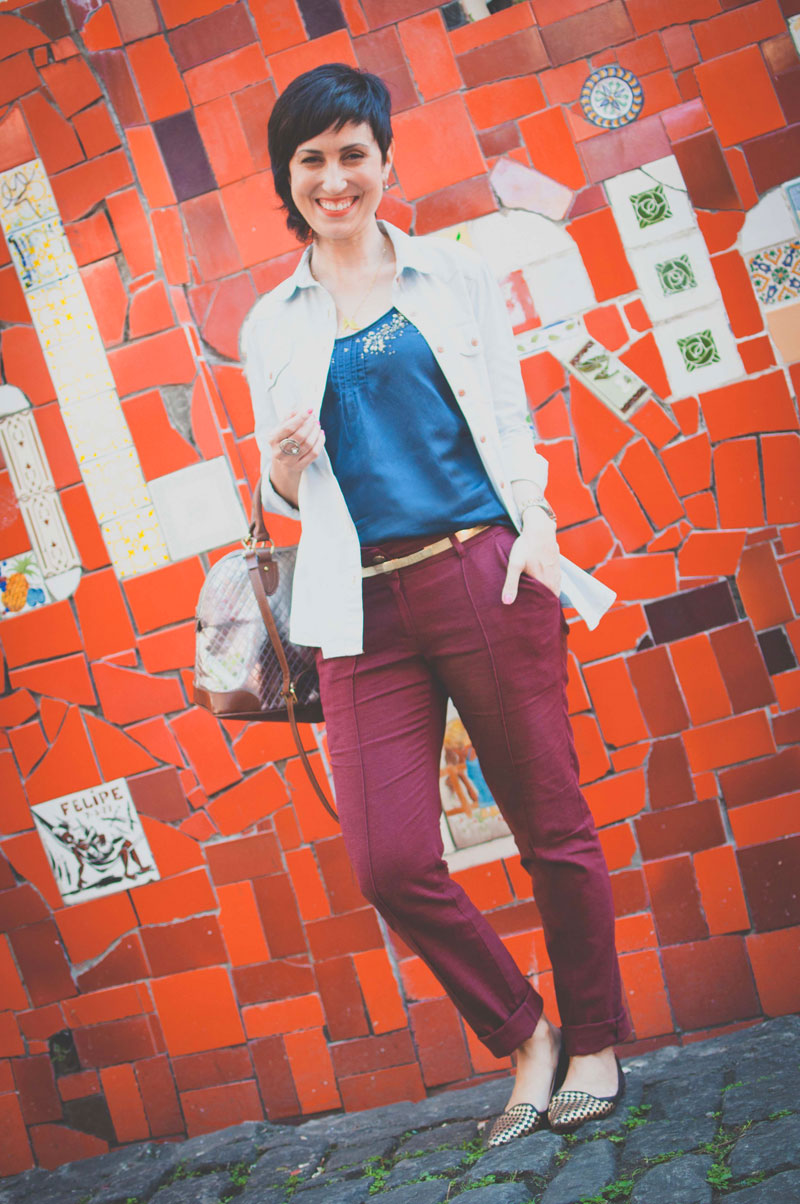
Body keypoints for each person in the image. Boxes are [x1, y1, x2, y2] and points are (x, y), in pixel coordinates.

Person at [241, 62, 631, 1144]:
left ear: (382, 161)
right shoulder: (270, 322)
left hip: (477, 570)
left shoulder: (450, 276)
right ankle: (525, 1034)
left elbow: (509, 418)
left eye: (351, 155)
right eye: (311, 160)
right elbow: (283, 491)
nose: (333, 179)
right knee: (390, 859)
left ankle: (595, 1040)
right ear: (286, 176)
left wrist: (533, 532)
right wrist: (283, 465)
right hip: (356, 607)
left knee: (550, 824)